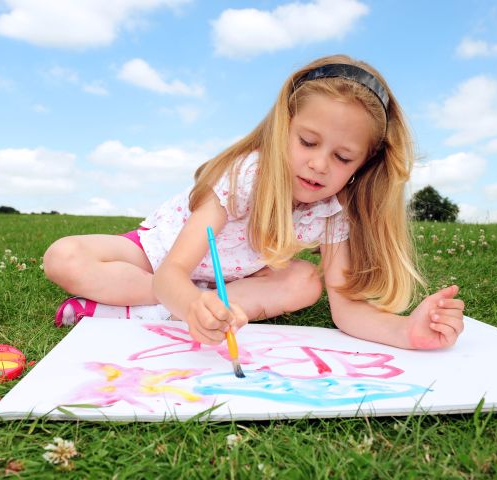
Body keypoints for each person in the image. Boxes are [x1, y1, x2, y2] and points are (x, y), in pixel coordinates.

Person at [43, 54, 465, 350]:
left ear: (365, 162)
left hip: (229, 283)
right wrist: (191, 303)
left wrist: (407, 331)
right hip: (158, 256)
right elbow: (172, 269)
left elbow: (348, 312)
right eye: (307, 142)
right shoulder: (246, 175)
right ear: (284, 126)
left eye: (342, 157)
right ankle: (169, 309)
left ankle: (138, 312)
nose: (319, 165)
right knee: (65, 257)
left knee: (305, 282)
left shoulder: (337, 211)